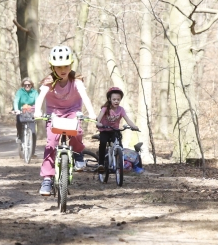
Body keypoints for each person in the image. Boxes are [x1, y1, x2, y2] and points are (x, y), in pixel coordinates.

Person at [35, 45, 98, 196]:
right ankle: (47, 179)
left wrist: (92, 113)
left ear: (71, 65)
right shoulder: (48, 82)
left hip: (72, 113)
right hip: (54, 115)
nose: (62, 70)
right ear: (53, 67)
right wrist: (37, 111)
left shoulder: (76, 81)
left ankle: (77, 154)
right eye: (58, 67)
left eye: (66, 66)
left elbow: (85, 97)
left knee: (77, 132)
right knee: (51, 143)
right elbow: (40, 98)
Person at [96, 86, 139, 170]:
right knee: (103, 143)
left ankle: (119, 164)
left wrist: (133, 126)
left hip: (114, 131)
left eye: (118, 99)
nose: (116, 101)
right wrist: (98, 123)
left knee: (119, 145)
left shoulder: (121, 110)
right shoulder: (105, 109)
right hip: (104, 130)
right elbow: (99, 118)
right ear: (109, 99)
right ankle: (101, 164)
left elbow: (127, 119)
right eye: (114, 99)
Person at [12, 77, 38, 143]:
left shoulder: (35, 92)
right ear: (23, 85)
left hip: (31, 111)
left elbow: (38, 102)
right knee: (19, 120)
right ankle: (19, 136)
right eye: (25, 85)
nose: (27, 86)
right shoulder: (20, 92)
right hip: (21, 111)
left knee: (33, 131)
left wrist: (37, 110)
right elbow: (16, 101)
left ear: (31, 85)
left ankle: (32, 148)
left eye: (29, 84)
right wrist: (16, 109)